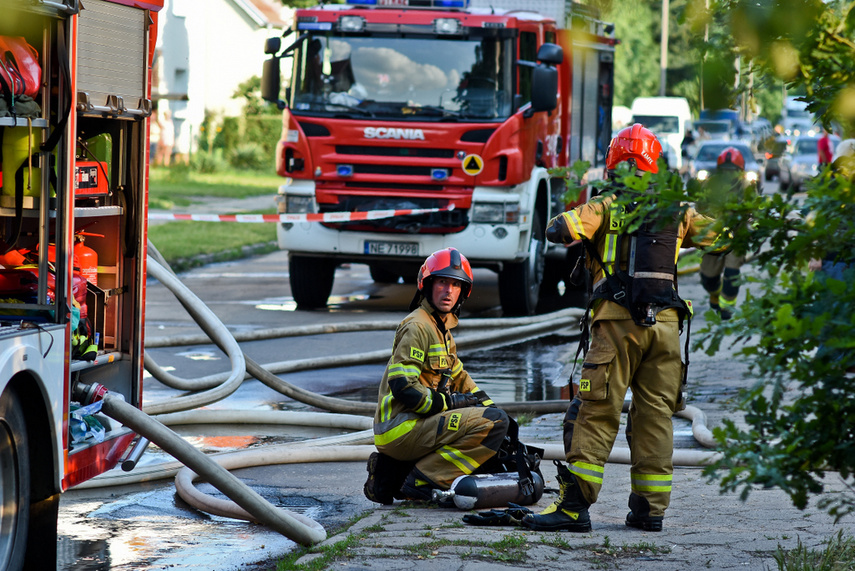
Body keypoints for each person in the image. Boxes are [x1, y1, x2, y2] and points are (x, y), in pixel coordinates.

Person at [522, 123, 718, 533]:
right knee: (656, 417)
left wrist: (574, 210)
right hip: (665, 329)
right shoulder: (677, 209)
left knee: (596, 411)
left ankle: (574, 508)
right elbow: (720, 237)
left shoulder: (606, 204)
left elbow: (559, 231)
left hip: (616, 325)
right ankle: (649, 511)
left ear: (614, 162)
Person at [363, 247, 508, 505]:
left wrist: (491, 407)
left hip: (417, 425)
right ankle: (423, 480)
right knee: (491, 425)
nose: (449, 291)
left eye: (456, 284)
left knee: (495, 420)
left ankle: (395, 474)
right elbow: (402, 386)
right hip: (401, 427)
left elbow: (460, 377)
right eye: (442, 282)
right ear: (427, 285)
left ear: (463, 292)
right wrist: (449, 404)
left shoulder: (442, 329)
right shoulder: (418, 326)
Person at [697, 147, 756, 320]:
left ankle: (727, 309)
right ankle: (715, 294)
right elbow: (699, 208)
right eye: (725, 170)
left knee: (732, 274)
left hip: (737, 236)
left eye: (733, 171)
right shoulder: (710, 184)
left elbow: (755, 211)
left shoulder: (747, 186)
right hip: (714, 237)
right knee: (708, 277)